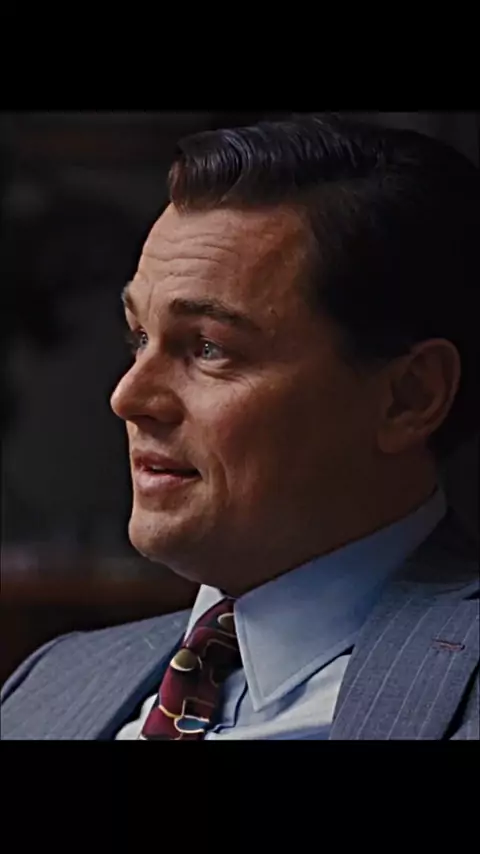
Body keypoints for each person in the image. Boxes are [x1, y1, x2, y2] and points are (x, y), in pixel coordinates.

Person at [1, 113, 478, 740]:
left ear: (408, 398)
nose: (128, 397)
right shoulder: (48, 682)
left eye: (208, 348)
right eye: (139, 338)